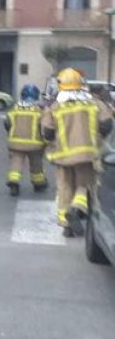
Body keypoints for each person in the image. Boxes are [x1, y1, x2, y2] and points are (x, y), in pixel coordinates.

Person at [41, 68, 114, 237]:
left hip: (62, 157)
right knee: (85, 185)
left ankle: (66, 226)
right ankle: (76, 208)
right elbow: (107, 125)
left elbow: (48, 133)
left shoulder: (55, 108)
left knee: (65, 188)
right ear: (81, 84)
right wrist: (97, 139)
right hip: (88, 155)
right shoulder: (94, 104)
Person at [4, 84, 48, 196]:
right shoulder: (39, 111)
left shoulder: (14, 109)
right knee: (36, 165)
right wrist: (46, 142)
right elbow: (44, 127)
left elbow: (7, 124)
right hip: (35, 144)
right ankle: (38, 183)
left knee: (16, 162)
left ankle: (14, 181)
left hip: (16, 143)